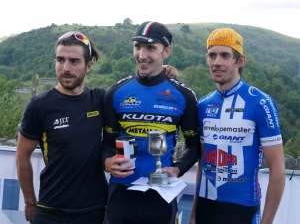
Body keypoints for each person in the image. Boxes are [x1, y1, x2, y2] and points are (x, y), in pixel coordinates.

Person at [16, 30, 178, 224]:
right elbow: (21, 156)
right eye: (60, 60)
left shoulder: (101, 99)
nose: (65, 67)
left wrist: (160, 71)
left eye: (74, 61)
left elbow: (132, 90)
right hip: (51, 208)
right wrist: (29, 201)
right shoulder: (39, 106)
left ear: (88, 66)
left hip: (95, 210)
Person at [102, 21, 201, 224]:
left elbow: (194, 145)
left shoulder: (184, 95)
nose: (142, 55)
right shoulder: (115, 92)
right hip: (121, 193)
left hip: (161, 196)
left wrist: (178, 168)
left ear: (166, 51)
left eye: (151, 48)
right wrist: (106, 162)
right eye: (137, 47)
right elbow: (107, 142)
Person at [190, 28, 285, 224]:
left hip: (242, 209)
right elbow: (202, 164)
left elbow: (278, 170)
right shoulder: (203, 104)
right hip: (205, 207)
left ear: (239, 61)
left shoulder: (260, 103)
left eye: (225, 55)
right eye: (212, 55)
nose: (217, 62)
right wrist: (193, 216)